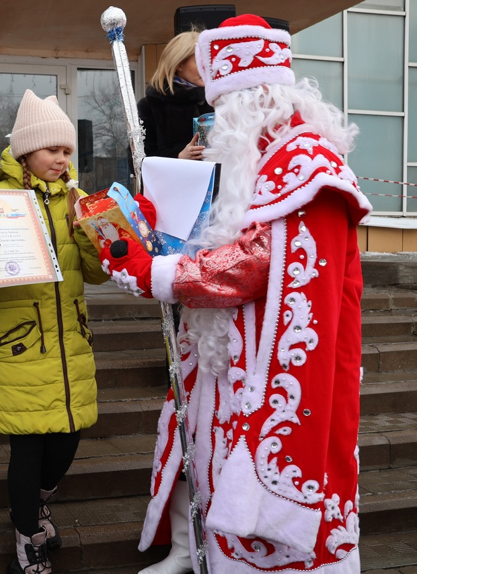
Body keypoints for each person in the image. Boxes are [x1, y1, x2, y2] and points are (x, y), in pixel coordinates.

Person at [100, 15, 372, 574]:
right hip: (230, 361)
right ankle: (194, 552)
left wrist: (162, 273)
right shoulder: (256, 159)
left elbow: (256, 263)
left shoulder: (304, 165)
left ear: (249, 102)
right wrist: (155, 233)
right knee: (207, 461)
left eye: (222, 110)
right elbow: (223, 235)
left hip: (272, 376)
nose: (216, 122)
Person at [0, 89, 111, 574]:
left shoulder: (79, 202)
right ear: (25, 153)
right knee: (28, 446)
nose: (62, 159)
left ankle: (34, 506)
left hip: (70, 344)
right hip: (20, 344)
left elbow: (97, 274)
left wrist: (93, 233)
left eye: (67, 152)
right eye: (53, 150)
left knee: (68, 439)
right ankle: (27, 535)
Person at [137, 30, 213, 161]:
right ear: (179, 64)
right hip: (175, 180)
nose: (205, 67)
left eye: (208, 61)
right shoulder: (150, 106)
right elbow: (138, 162)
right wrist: (178, 157)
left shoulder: (217, 100)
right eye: (199, 61)